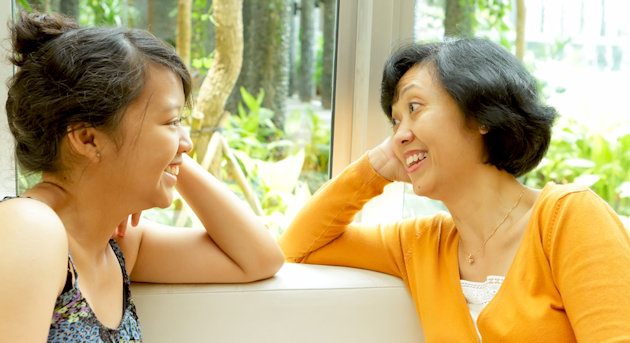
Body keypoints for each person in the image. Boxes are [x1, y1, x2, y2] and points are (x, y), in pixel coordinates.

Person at [280, 38, 630, 341]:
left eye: (414, 108)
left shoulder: (568, 219)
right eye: (395, 120)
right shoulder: (420, 245)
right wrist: (375, 169)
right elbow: (297, 247)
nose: (398, 135)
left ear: (481, 115)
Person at [0, 12, 284, 342]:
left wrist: (166, 163)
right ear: (88, 139)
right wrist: (157, 164)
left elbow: (260, 258)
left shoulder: (115, 245)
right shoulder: (27, 228)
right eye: (170, 122)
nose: (188, 143)